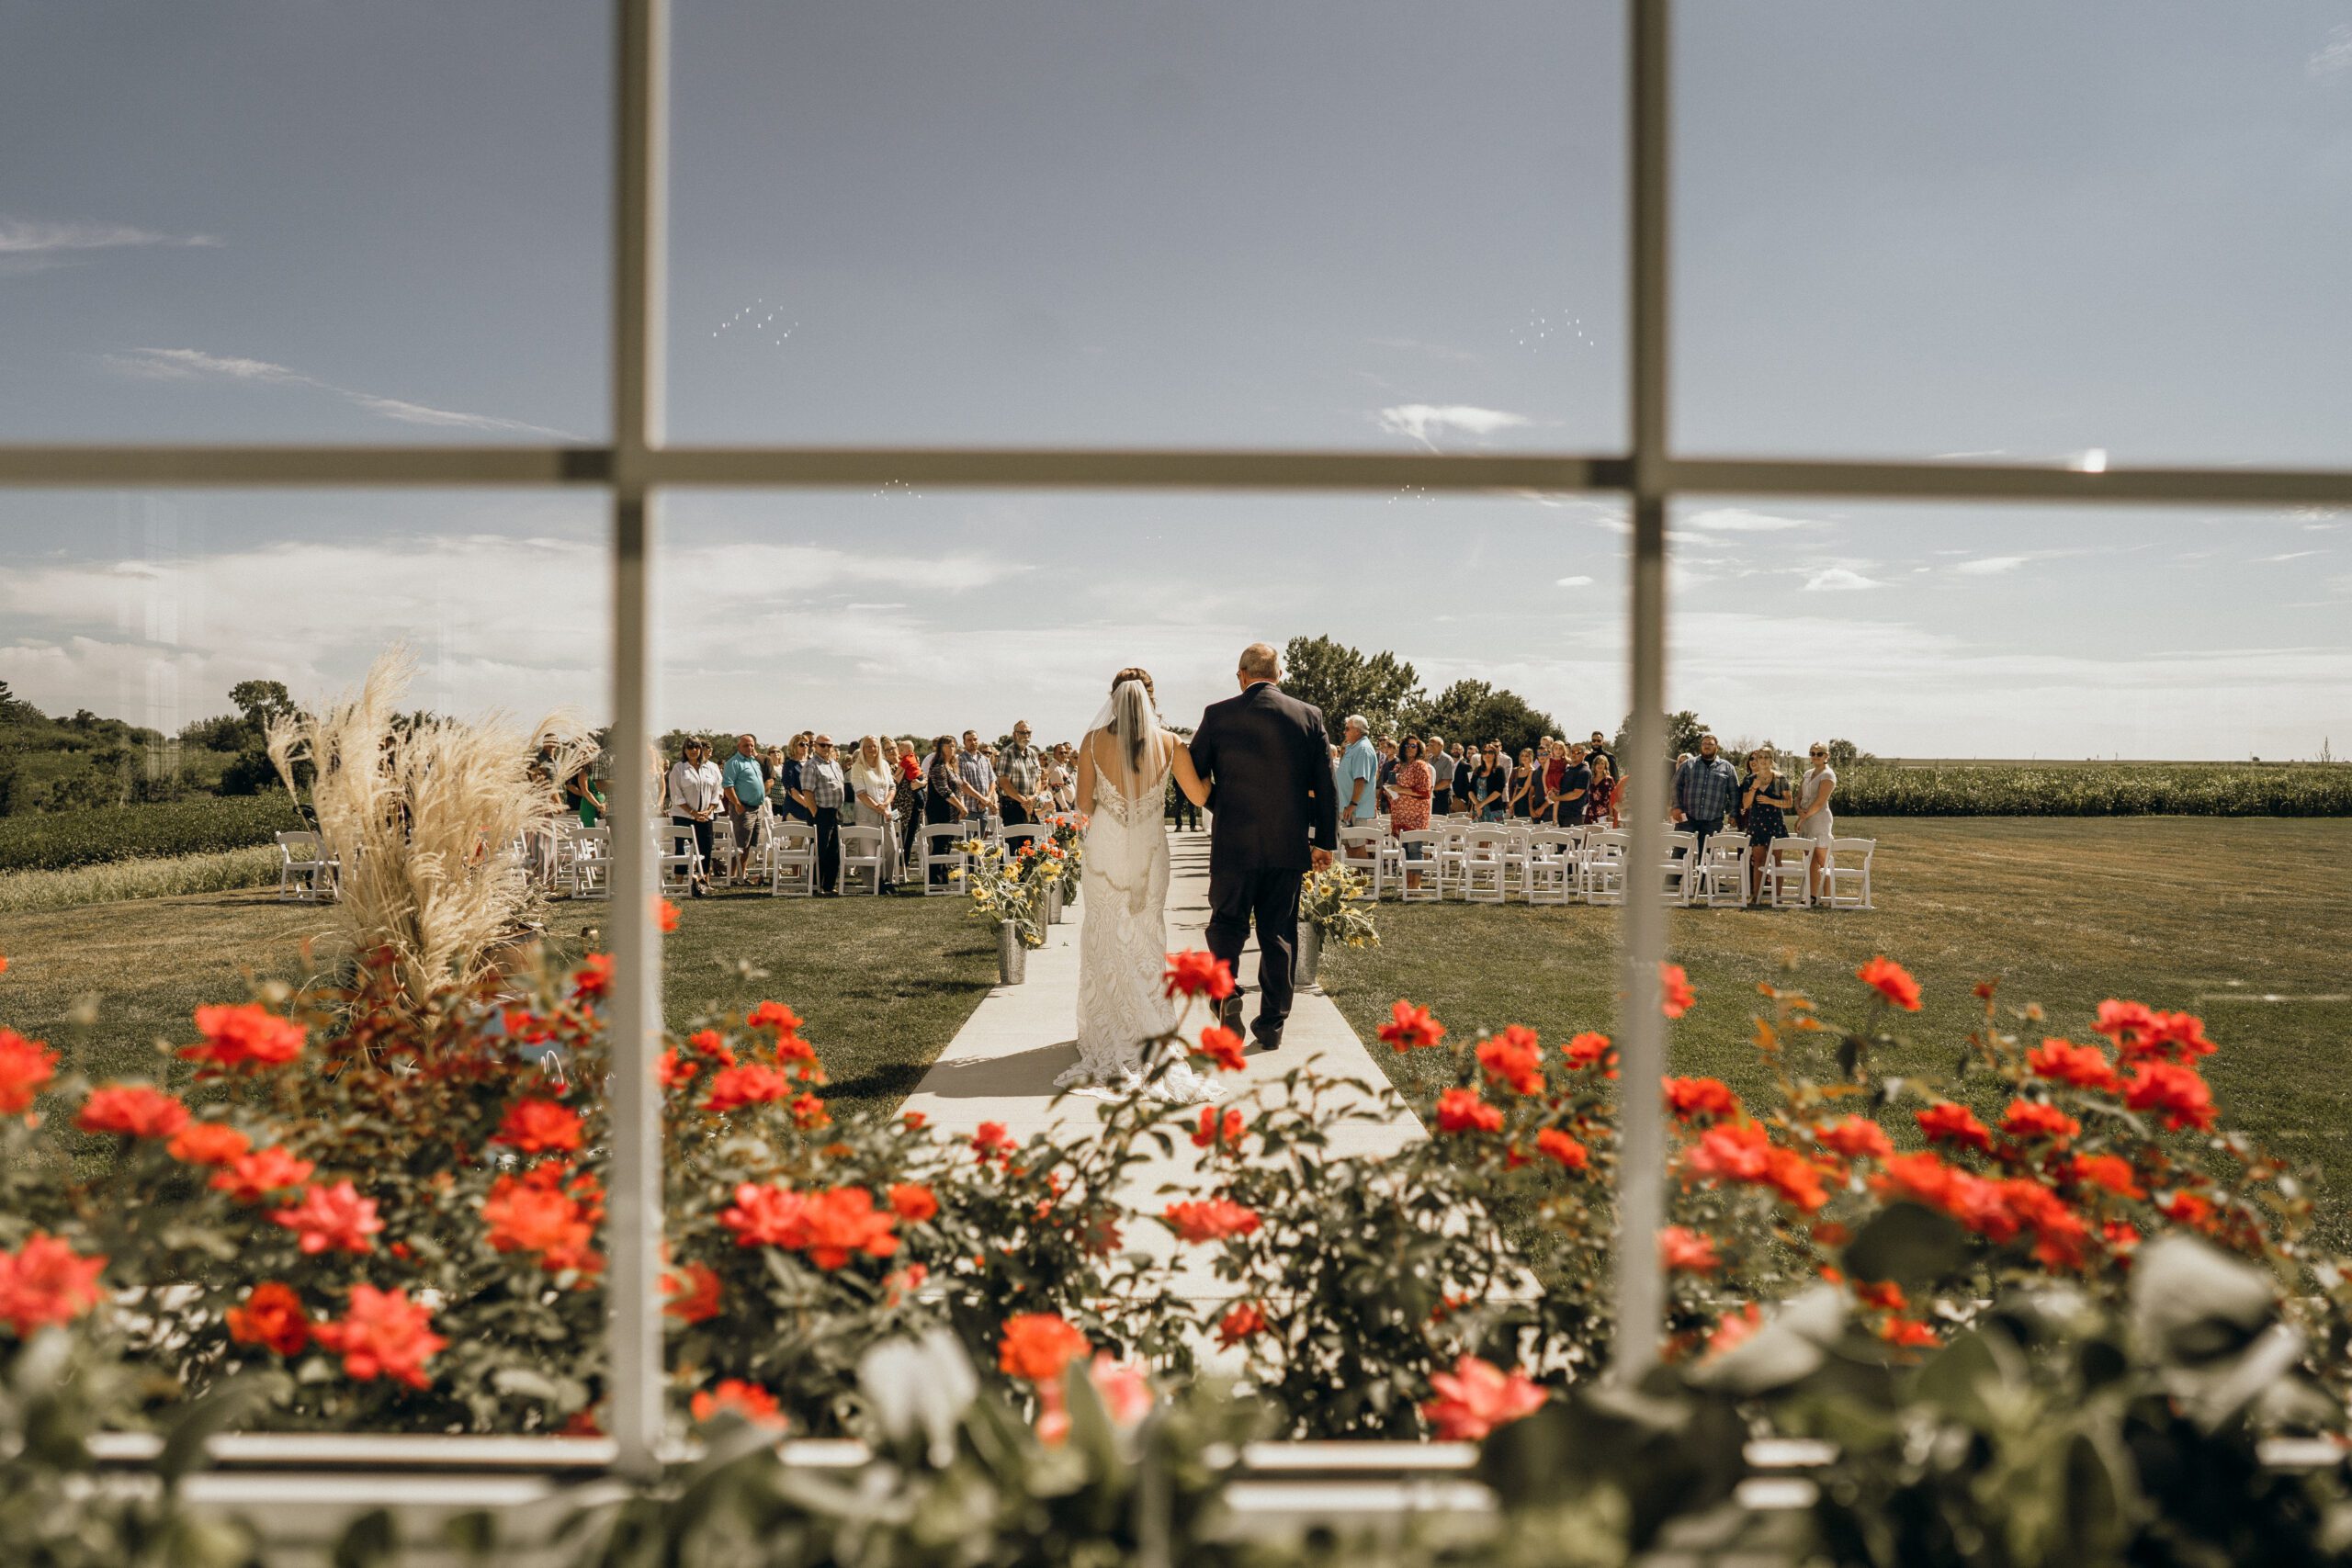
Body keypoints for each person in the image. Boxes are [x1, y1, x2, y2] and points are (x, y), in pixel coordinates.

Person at [1057, 666, 1222, 1103]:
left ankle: (1109, 1028)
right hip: (1150, 854)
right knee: (1147, 936)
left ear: (1113, 700)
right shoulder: (1171, 743)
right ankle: (1149, 1027)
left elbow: (1084, 804)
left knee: (1104, 934)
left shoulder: (1092, 741)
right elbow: (1199, 797)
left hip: (1105, 851)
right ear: (1151, 699)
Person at [1183, 643, 1336, 1055]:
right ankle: (1272, 1025)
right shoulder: (1308, 716)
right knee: (1279, 932)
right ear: (1279, 674)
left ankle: (1227, 994)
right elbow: (1326, 785)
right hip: (1287, 843)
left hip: (1233, 843)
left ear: (1242, 675)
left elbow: (1194, 775)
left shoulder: (1218, 715)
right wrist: (1324, 841)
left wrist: (1225, 805)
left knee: (1226, 924)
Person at [664, 737, 724, 897]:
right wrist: (693, 813)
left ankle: (705, 882)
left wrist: (708, 811)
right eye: (689, 748)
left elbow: (718, 791)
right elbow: (676, 795)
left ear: (701, 749)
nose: (693, 751)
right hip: (683, 815)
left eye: (696, 747)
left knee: (706, 848)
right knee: (681, 848)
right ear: (684, 750)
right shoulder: (679, 768)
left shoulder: (711, 767)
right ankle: (679, 883)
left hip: (706, 815)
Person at [792, 734, 848, 896]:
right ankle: (816, 885)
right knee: (819, 850)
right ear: (815, 746)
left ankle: (829, 885)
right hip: (820, 811)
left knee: (834, 851)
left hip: (836, 812)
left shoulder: (835, 764)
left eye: (829, 745)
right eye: (822, 745)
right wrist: (816, 813)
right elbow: (807, 791)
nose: (826, 748)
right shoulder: (811, 765)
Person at [1673, 733, 1740, 860]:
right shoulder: (1688, 764)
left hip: (1713, 820)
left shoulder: (1727, 768)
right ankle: (1674, 874)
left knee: (1707, 858)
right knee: (1679, 853)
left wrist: (1733, 813)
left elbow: (1734, 793)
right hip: (1687, 817)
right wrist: (1676, 806)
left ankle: (1704, 874)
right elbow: (1675, 785)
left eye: (1710, 744)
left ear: (1717, 748)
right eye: (1704, 743)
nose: (1706, 746)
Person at [1741, 747, 1793, 904]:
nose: (1763, 760)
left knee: (1776, 860)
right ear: (1756, 761)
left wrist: (1771, 801)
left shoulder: (1780, 779)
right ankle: (1756, 897)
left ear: (1771, 760)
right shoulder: (1750, 780)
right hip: (1757, 822)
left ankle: (1777, 897)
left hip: (1775, 822)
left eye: (1766, 757)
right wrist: (1754, 788)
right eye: (1760, 757)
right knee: (1758, 860)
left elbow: (1789, 803)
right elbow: (1746, 804)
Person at [849, 734, 899, 891]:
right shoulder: (858, 767)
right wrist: (878, 806)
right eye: (868, 746)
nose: (872, 749)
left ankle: (887, 880)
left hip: (886, 813)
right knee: (868, 851)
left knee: (891, 848)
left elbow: (892, 787)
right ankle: (871, 884)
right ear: (863, 749)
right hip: (866, 814)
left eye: (875, 746)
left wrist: (885, 804)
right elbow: (860, 792)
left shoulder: (884, 765)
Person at [1390, 735, 1434, 890]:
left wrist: (1401, 790)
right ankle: (1408, 884)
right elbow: (1392, 785)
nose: (1409, 748)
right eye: (1407, 745)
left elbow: (1425, 792)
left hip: (1416, 814)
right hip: (1401, 814)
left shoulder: (1420, 765)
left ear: (1419, 748)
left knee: (1415, 848)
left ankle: (1416, 885)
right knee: (1405, 849)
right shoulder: (1399, 766)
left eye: (1413, 746)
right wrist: (1390, 789)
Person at [721, 733, 765, 882]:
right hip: (743, 808)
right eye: (746, 745)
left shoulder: (754, 762)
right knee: (739, 845)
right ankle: (732, 876)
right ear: (739, 746)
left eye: (752, 745)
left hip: (756, 808)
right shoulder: (734, 762)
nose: (750, 748)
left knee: (748, 845)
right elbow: (727, 786)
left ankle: (742, 874)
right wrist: (737, 804)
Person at [1796, 741, 1838, 898]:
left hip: (1820, 819)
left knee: (1823, 859)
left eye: (1819, 753)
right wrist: (1800, 813)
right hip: (1806, 819)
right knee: (1810, 859)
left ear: (1827, 756)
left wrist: (1802, 818)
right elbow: (1798, 797)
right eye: (1812, 753)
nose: (1815, 756)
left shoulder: (1828, 775)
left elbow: (1820, 802)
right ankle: (1813, 896)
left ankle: (1828, 897)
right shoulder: (1807, 774)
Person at [996, 721, 1044, 828]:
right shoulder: (1007, 753)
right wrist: (1024, 800)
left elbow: (1038, 779)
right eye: (1023, 733)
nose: (1026, 735)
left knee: (1031, 838)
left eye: (1029, 733)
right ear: (1015, 735)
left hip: (1030, 805)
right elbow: (1004, 782)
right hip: (1012, 806)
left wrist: (1034, 797)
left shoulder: (1032, 753)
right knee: (1015, 838)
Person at [1335, 715, 1379, 829]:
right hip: (1349, 810)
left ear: (1357, 731)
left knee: (1356, 842)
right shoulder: (1355, 747)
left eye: (1347, 729)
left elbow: (1360, 780)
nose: (1344, 732)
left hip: (1355, 811)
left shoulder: (1362, 749)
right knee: (1348, 841)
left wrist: (1352, 804)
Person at [956, 729, 998, 833]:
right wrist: (982, 799)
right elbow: (963, 785)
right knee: (967, 841)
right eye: (969, 740)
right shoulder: (961, 760)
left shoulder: (985, 759)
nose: (973, 742)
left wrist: (987, 798)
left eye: (975, 739)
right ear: (964, 742)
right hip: (968, 809)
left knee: (981, 841)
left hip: (983, 809)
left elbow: (992, 781)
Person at [1470, 742, 1510, 822]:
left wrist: (1481, 804)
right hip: (1478, 810)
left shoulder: (1499, 770)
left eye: (1490, 752)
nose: (1487, 754)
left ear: (1495, 755)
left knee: (1494, 830)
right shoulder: (1477, 770)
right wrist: (1477, 804)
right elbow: (1470, 789)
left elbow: (1498, 791)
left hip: (1494, 809)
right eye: (1484, 752)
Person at [563, 760, 605, 828]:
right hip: (589, 805)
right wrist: (598, 805)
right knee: (591, 831)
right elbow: (584, 791)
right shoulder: (583, 772)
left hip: (603, 805)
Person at [1585, 752, 1620, 827]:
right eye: (1598, 763)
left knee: (1602, 833)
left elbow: (1612, 798)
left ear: (1605, 765)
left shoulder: (1609, 780)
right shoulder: (1590, 779)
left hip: (1603, 813)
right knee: (1589, 833)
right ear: (1594, 765)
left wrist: (1611, 814)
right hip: (1590, 812)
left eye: (1602, 763)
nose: (1600, 765)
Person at [1428, 736, 1454, 817]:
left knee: (1441, 820)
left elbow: (1447, 781)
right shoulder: (1429, 758)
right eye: (1429, 745)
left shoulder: (1447, 760)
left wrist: (1431, 789)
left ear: (1441, 746)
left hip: (1442, 796)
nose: (1430, 747)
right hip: (1431, 794)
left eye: (1433, 745)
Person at [1510, 746, 1539, 819]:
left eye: (1526, 756)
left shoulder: (1532, 771)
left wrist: (1513, 801)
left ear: (1530, 757)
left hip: (1526, 799)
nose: (1524, 757)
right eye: (1522, 755)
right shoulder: (1520, 770)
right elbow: (1517, 787)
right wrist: (1512, 803)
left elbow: (1525, 789)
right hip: (1517, 799)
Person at [1452, 744, 1477, 818]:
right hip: (1449, 799)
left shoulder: (1466, 766)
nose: (1456, 751)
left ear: (1462, 751)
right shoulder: (1449, 764)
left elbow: (1469, 784)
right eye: (1454, 749)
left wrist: (1463, 800)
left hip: (1459, 800)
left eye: (1458, 749)